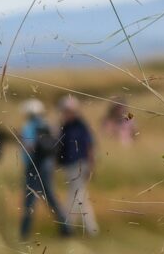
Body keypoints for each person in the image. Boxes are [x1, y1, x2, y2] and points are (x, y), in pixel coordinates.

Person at [17, 99, 68, 240]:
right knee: (51, 197)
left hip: (33, 167)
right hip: (47, 166)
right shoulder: (47, 125)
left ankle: (24, 233)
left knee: (29, 200)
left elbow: (28, 146)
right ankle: (66, 228)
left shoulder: (29, 126)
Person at [57, 95, 98, 236]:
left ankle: (67, 225)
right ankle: (91, 228)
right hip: (69, 165)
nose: (65, 114)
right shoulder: (65, 127)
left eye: (67, 111)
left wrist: (92, 165)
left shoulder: (81, 126)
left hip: (81, 164)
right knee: (81, 197)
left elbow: (90, 146)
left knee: (76, 195)